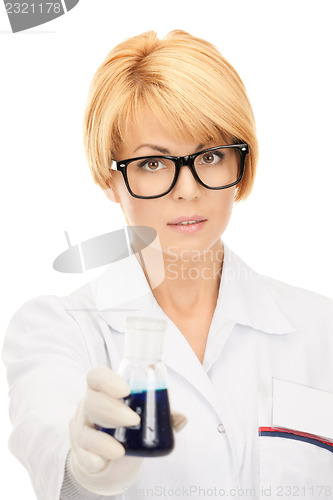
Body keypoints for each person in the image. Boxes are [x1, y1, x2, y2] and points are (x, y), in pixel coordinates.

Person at [2, 29, 333, 500]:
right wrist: (90, 470)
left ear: (242, 166)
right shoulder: (58, 330)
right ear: (108, 179)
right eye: (153, 164)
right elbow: (55, 461)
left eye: (212, 155)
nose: (187, 190)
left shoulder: (322, 330)